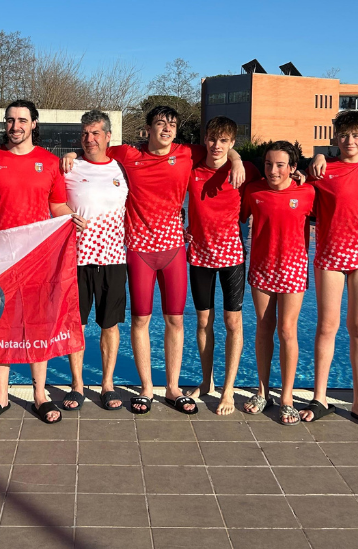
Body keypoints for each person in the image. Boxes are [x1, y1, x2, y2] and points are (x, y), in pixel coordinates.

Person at [62, 106, 245, 415]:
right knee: (140, 320)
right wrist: (71, 153)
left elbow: (222, 147)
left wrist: (237, 160)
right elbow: (96, 148)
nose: (166, 129)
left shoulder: (187, 153)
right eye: (160, 124)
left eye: (172, 125)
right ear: (147, 129)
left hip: (173, 249)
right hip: (138, 250)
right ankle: (146, 388)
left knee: (176, 320)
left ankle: (172, 388)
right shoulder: (129, 154)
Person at [0, 100, 75, 424]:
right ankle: (1, 395)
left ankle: (40, 394)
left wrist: (73, 218)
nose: (15, 126)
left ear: (34, 124)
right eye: (10, 120)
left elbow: (57, 206)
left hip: (38, 260)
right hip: (0, 260)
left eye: (22, 120)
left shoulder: (49, 162)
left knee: (37, 325)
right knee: (1, 326)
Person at [303, 111, 358, 430]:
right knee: (327, 326)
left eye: (355, 135)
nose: (349, 141)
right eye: (344, 135)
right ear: (335, 138)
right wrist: (317, 157)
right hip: (330, 254)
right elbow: (296, 191)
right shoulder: (322, 170)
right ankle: (320, 397)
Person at [185, 116, 256, 416]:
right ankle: (206, 382)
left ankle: (228, 389)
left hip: (232, 257)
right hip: (199, 255)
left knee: (232, 323)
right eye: (212, 139)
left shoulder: (244, 170)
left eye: (224, 141)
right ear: (205, 139)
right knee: (203, 322)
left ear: (232, 143)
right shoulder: (192, 169)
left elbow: (280, 179)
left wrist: (236, 160)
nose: (217, 145)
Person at [240, 141, 313, 425]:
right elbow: (235, 217)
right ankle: (263, 391)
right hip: (262, 266)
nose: (273, 170)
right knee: (264, 327)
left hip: (293, 267)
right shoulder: (254, 191)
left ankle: (287, 397)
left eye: (280, 165)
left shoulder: (307, 192)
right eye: (269, 164)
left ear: (292, 167)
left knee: (287, 330)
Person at [61, 110, 129, 412]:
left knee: (109, 325)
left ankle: (107, 384)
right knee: (76, 325)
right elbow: (51, 201)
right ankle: (77, 385)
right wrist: (65, 214)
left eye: (95, 133)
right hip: (76, 259)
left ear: (108, 136)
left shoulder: (122, 168)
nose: (89, 139)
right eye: (85, 134)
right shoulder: (69, 167)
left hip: (113, 258)